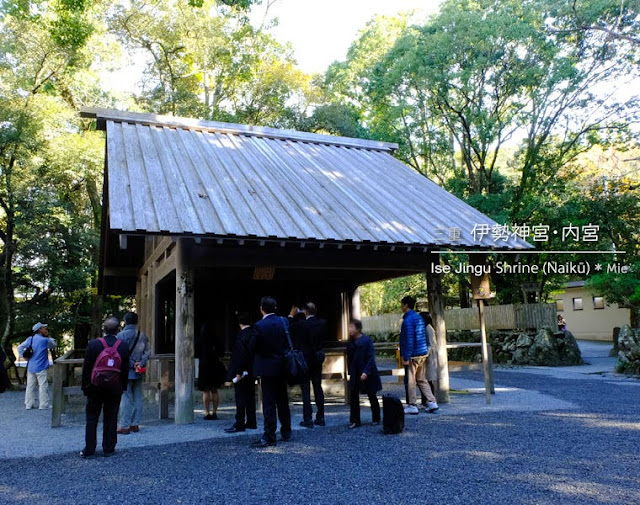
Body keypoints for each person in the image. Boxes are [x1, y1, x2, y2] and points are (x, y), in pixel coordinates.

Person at [80, 317, 130, 458]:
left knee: (91, 418)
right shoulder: (123, 346)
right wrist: (123, 386)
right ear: (118, 330)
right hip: (114, 387)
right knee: (111, 416)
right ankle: (109, 447)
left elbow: (87, 368)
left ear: (104, 329)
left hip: (95, 386)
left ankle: (89, 448)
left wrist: (86, 387)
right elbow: (124, 369)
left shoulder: (93, 344)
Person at [250, 296, 291, 448]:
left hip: (267, 367)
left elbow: (253, 346)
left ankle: (269, 434)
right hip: (283, 365)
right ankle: (286, 431)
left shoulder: (259, 326)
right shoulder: (284, 322)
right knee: (283, 400)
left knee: (269, 402)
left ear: (262, 308)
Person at [290, 302, 326, 428]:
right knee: (318, 387)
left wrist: (291, 315)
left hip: (304, 361)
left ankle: (308, 418)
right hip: (317, 359)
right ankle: (320, 417)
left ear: (305, 311)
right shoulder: (322, 323)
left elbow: (290, 327)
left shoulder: (302, 324)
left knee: (305, 389)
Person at [400, 296, 438, 414]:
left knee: (411, 380)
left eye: (402, 304)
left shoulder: (408, 320)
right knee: (421, 379)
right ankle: (432, 402)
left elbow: (409, 340)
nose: (401, 306)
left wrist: (406, 356)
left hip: (413, 355)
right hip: (422, 353)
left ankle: (412, 405)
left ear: (406, 305)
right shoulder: (418, 318)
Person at [116, 312, 151, 435]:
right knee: (138, 396)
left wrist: (131, 364)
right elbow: (147, 352)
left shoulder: (120, 336)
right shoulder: (143, 336)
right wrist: (140, 363)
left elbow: (119, 354)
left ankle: (124, 425)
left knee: (125, 397)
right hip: (139, 370)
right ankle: (135, 424)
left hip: (125, 370)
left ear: (125, 321)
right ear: (137, 322)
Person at [224, 312, 257, 433]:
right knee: (250, 397)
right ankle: (252, 421)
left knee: (240, 397)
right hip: (252, 370)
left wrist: (238, 372)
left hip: (242, 371)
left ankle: (239, 422)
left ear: (240, 324)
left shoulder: (241, 336)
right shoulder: (254, 334)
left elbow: (240, 355)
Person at [347, 319, 382, 429]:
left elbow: (371, 357)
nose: (349, 329)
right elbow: (350, 358)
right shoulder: (350, 342)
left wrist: (366, 371)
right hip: (355, 371)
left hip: (367, 371)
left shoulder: (366, 340)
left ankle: (376, 418)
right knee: (353, 396)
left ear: (357, 329)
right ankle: (355, 420)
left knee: (372, 395)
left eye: (351, 327)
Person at [17, 323, 56, 410]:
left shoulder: (30, 339)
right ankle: (43, 405)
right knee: (43, 385)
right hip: (41, 366)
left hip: (31, 366)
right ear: (40, 330)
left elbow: (20, 347)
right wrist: (48, 336)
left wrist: (24, 357)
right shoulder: (45, 340)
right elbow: (53, 345)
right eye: (44, 328)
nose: (46, 329)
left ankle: (28, 404)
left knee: (30, 386)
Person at [196, 323, 227, 420]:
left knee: (206, 390)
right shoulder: (216, 339)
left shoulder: (199, 340)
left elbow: (196, 352)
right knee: (214, 390)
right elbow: (221, 352)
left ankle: (206, 412)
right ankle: (215, 412)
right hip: (215, 365)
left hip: (204, 366)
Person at [420, 312, 439, 397]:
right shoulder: (426, 328)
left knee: (428, 380)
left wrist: (425, 354)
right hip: (427, 357)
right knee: (426, 379)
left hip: (429, 357)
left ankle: (430, 399)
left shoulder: (428, 328)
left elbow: (432, 344)